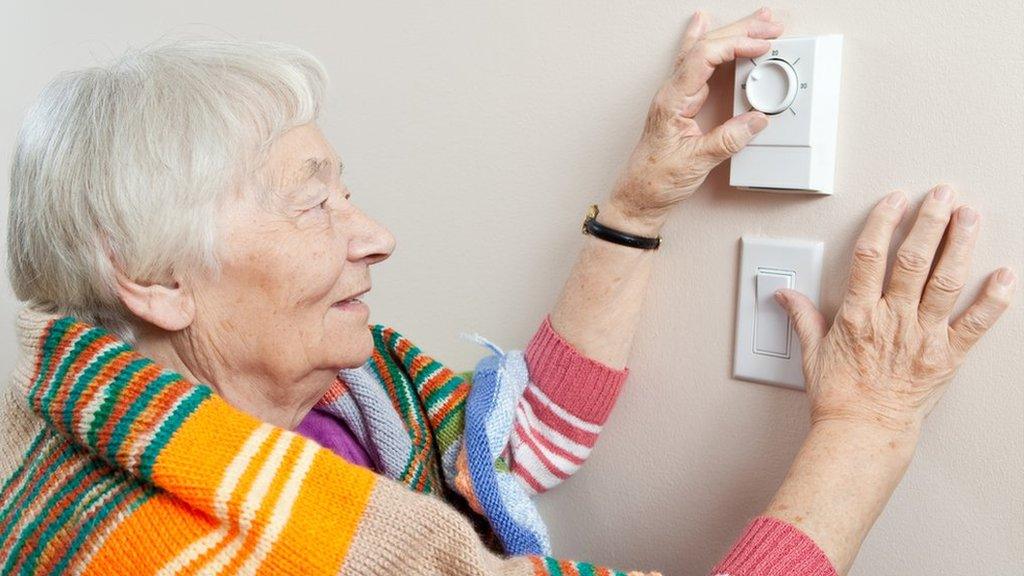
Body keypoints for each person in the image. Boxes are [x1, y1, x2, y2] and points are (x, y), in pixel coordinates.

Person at [0, 7, 1014, 575]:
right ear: (152, 280)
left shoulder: (334, 409)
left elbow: (515, 446)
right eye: (313, 207)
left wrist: (641, 202)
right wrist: (869, 428)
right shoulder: (163, 550)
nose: (377, 236)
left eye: (349, 191)